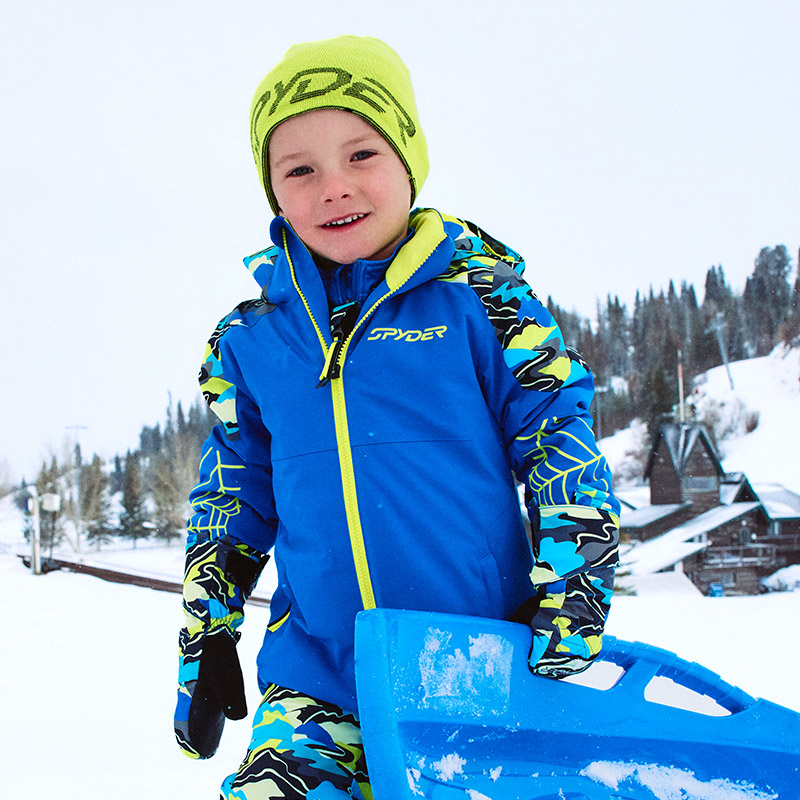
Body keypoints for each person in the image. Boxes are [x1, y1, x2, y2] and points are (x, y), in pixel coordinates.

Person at [173, 35, 619, 799]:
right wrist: (207, 633)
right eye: (300, 169)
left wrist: (576, 578)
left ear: (408, 158)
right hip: (319, 675)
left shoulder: (483, 302)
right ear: (273, 191)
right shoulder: (251, 341)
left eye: (361, 155)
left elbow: (555, 433)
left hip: (475, 662)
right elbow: (231, 499)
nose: (334, 187)